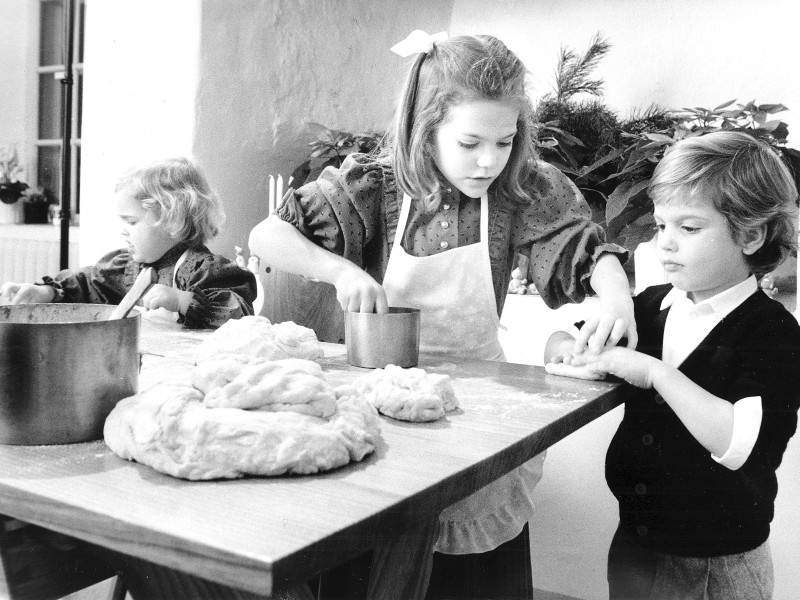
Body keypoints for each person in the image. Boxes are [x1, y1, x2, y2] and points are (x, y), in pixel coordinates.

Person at [249, 30, 636, 598]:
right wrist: (340, 270)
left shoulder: (516, 190)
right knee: (380, 564)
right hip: (380, 402)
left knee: (469, 579)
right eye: (470, 142)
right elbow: (268, 235)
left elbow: (585, 247)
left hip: (476, 410)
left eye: (504, 143)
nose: (488, 162)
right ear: (426, 129)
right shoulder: (374, 185)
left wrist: (616, 297)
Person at [544, 131, 800, 600]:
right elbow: (565, 338)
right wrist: (568, 347)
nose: (666, 244)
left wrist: (653, 371)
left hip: (715, 566)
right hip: (636, 546)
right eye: (662, 226)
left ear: (751, 235)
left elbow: (740, 442)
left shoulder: (773, 332)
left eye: (689, 228)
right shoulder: (652, 305)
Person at [1, 157, 256, 329]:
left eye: (131, 222)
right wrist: (47, 291)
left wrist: (183, 300)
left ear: (171, 219)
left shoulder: (203, 269)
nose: (124, 231)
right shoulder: (128, 268)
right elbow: (90, 283)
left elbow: (240, 314)